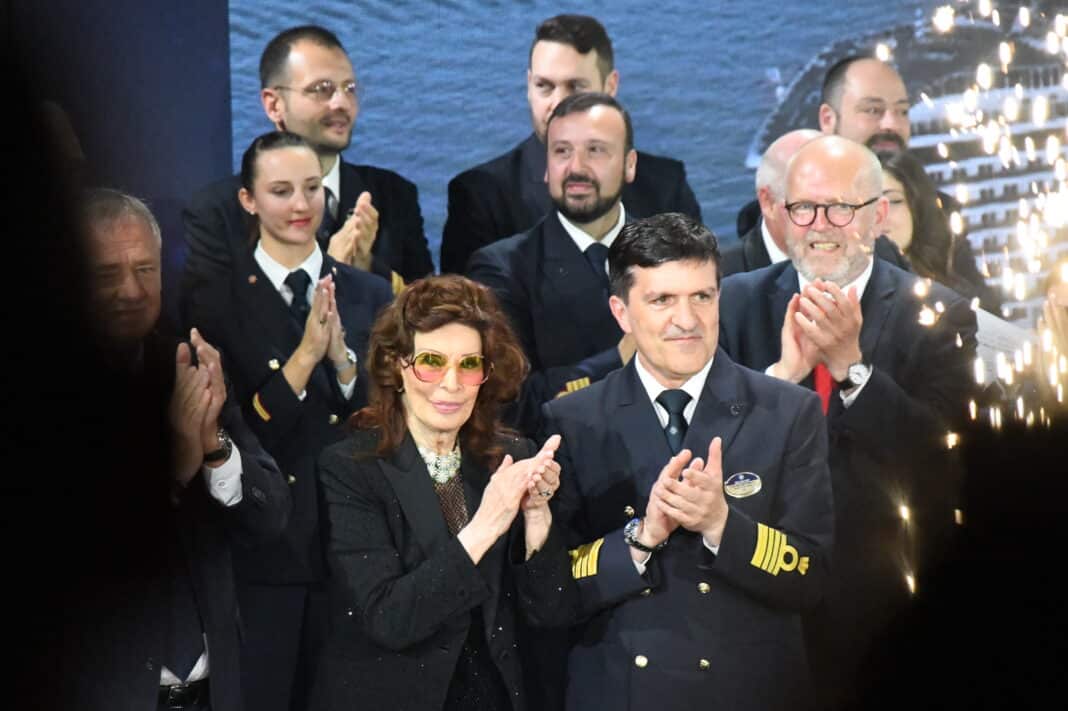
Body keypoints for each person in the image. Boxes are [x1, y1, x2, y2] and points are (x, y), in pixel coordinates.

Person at [718, 136, 978, 709]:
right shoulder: (732, 304)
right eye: (803, 208)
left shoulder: (937, 314)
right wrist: (782, 379)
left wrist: (850, 369)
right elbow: (705, 450)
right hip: (763, 601)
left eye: (839, 207)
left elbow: (943, 456)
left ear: (878, 214)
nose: (819, 225)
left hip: (888, 602)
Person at [542, 213, 833, 711]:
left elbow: (813, 576)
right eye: (661, 300)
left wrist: (721, 524)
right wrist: (643, 537)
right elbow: (548, 594)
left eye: (702, 296)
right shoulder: (572, 421)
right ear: (621, 312)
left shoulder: (787, 411)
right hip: (622, 694)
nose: (687, 319)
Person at [185, 131, 393, 711]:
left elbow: (382, 422)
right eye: (281, 191)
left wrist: (343, 363)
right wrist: (303, 360)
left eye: (312, 189)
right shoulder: (214, 302)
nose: (301, 206)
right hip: (266, 551)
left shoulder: (369, 291)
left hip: (355, 552)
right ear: (248, 200)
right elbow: (234, 436)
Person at [310, 275, 576, 711]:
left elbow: (551, 611)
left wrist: (536, 516)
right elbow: (390, 618)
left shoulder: (509, 456)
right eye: (432, 361)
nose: (451, 383)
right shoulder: (351, 468)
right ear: (398, 365)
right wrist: (488, 522)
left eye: (469, 364)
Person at [67, 188, 289, 710]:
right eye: (106, 274)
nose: (131, 290)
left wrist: (214, 448)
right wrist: (172, 473)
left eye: (145, 269)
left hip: (216, 691)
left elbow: (271, 516)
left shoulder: (189, 366)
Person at [181, 24, 431, 323]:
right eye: (322, 89)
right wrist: (334, 271)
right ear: (274, 105)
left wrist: (367, 267)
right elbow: (210, 325)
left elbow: (430, 317)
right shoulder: (217, 210)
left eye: (349, 89)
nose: (341, 103)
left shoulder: (393, 194)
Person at [440, 13, 700, 274]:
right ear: (529, 86)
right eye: (544, 86)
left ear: (610, 86)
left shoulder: (666, 186)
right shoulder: (481, 194)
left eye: (575, 87)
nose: (559, 103)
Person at [467, 92, 636, 436]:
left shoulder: (671, 257)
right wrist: (618, 358)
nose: (576, 168)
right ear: (546, 167)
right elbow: (507, 403)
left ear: (629, 165)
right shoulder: (503, 269)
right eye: (562, 151)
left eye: (595, 150)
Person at [880, 149, 998, 304]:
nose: (879, 215)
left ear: (919, 208)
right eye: (867, 203)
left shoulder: (958, 299)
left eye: (893, 201)